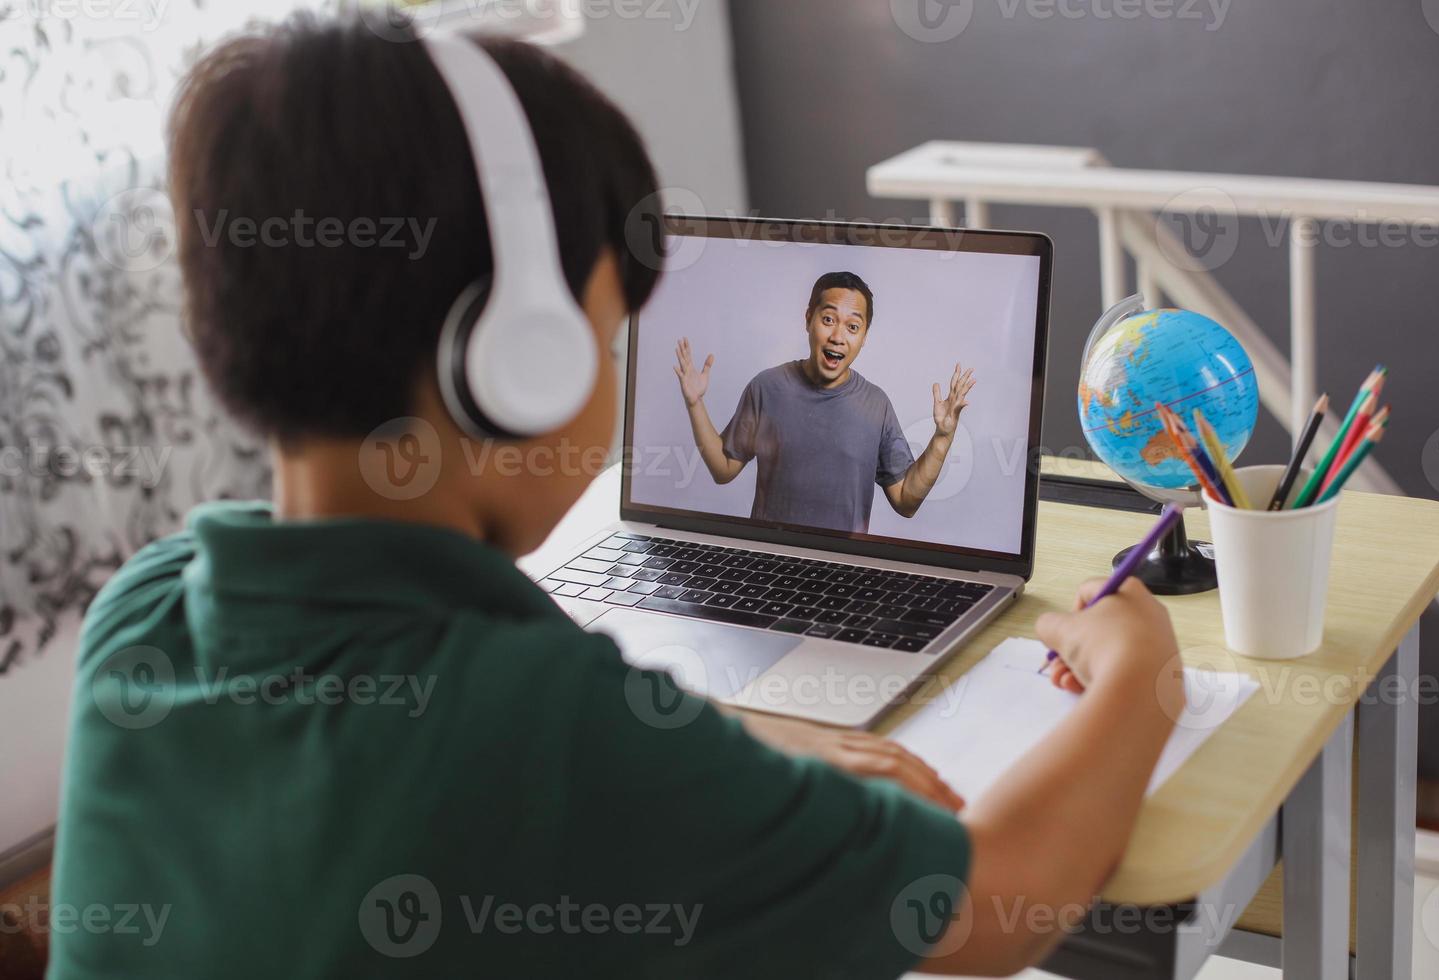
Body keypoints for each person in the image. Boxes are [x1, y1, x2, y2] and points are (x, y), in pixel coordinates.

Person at [49, 13, 1184, 979]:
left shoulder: (139, 620)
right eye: (605, 339)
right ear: (509, 359)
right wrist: (1139, 676)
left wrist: (736, 736)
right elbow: (997, 902)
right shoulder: (538, 722)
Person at [675, 272, 975, 533]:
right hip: (768, 564)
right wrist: (695, 403)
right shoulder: (767, 388)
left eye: (852, 327)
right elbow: (723, 468)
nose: (837, 337)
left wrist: (943, 436)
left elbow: (906, 500)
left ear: (864, 336)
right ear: (809, 319)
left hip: (842, 574)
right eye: (828, 320)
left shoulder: (876, 405)